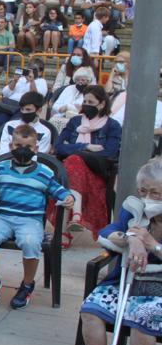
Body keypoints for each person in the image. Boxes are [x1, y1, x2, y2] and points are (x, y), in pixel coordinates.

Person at [77, 158, 162, 345]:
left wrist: (153, 245)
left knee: (143, 320)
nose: (147, 198)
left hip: (157, 287)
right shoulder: (133, 208)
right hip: (124, 281)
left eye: (155, 193)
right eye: (143, 191)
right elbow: (108, 231)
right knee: (90, 311)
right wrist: (131, 237)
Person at [0, 126, 73, 310]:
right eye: (18, 145)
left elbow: (58, 190)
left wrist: (67, 197)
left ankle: (27, 285)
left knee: (30, 242)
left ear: (36, 149)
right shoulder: (1, 167)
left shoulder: (44, 172)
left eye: (28, 147)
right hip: (3, 217)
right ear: (11, 146)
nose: (22, 150)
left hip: (31, 220)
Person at [54, 84, 121, 248]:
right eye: (85, 101)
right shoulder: (75, 121)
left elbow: (110, 153)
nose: (86, 105)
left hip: (96, 171)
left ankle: (64, 230)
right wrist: (84, 148)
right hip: (72, 169)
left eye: (91, 102)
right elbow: (58, 146)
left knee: (74, 161)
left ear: (102, 104)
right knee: (74, 162)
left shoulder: (112, 125)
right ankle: (76, 216)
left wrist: (79, 153)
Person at [0, 91, 55, 157]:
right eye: (22, 109)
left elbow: (40, 155)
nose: (24, 112)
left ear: (39, 110)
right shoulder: (10, 125)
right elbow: (4, 149)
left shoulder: (45, 132)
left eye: (28, 109)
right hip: (8, 162)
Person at [50, 67, 96, 132]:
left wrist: (68, 107)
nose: (80, 82)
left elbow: (84, 109)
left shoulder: (91, 92)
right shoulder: (68, 88)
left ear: (88, 81)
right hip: (61, 117)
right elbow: (55, 106)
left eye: (83, 80)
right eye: (77, 80)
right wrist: (61, 109)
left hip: (80, 122)